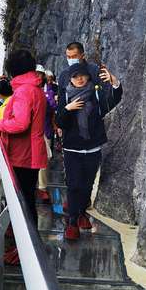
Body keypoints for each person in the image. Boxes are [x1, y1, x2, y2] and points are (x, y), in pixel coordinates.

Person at [55, 61, 122, 240]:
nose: (79, 79)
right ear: (70, 78)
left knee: (87, 185)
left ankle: (82, 212)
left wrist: (114, 83)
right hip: (72, 148)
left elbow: (111, 103)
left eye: (82, 75)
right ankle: (72, 221)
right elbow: (60, 121)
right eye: (75, 76)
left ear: (88, 76)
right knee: (74, 184)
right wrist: (68, 109)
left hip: (92, 148)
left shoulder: (96, 94)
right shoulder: (66, 94)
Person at [0, 50, 47, 227]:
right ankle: (26, 244)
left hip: (23, 156)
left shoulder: (23, 91)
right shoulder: (35, 88)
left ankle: (24, 249)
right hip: (32, 153)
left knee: (23, 204)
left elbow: (20, 123)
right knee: (27, 200)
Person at [35, 65, 56, 203]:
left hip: (44, 129)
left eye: (40, 74)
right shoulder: (26, 89)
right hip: (30, 130)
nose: (38, 76)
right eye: (35, 74)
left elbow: (52, 107)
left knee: (44, 160)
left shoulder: (48, 91)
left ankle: (42, 188)